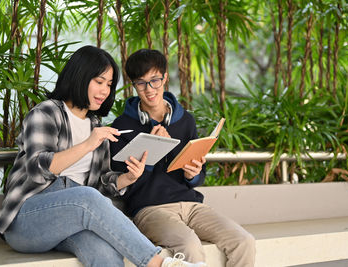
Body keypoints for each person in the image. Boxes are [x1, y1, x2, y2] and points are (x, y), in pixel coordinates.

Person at [0, 45, 205, 267]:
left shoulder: (95, 125)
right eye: (99, 81)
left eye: (109, 84)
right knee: (87, 197)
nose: (105, 91)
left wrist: (129, 178)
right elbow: (38, 170)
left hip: (72, 220)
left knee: (105, 254)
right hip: (27, 220)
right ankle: (160, 263)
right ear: (80, 77)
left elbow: (102, 183)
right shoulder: (47, 113)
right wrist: (88, 144)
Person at [110, 49, 256, 267]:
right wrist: (151, 148)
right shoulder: (122, 127)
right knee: (189, 246)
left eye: (155, 81)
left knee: (244, 241)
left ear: (165, 77)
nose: (149, 90)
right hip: (150, 209)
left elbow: (198, 176)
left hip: (192, 205)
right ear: (133, 85)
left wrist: (193, 175)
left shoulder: (185, 121)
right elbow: (123, 183)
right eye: (141, 83)